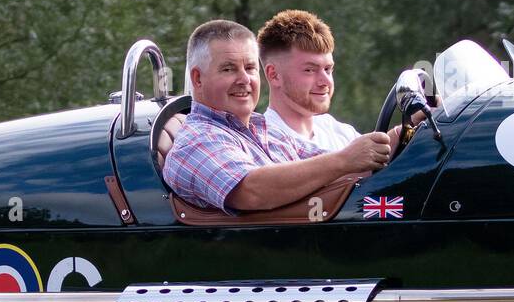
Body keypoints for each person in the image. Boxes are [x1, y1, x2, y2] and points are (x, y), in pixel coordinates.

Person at [161, 19, 391, 213]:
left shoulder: (261, 128)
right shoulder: (198, 140)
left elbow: (337, 167)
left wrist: (402, 137)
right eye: (228, 69)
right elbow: (252, 191)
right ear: (198, 79)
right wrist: (344, 160)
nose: (244, 79)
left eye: (250, 68)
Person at [257, 9, 407, 152]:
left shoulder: (337, 131)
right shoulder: (264, 143)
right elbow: (340, 170)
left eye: (328, 69)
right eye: (309, 70)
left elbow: (375, 163)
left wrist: (410, 127)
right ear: (274, 75)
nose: (325, 82)